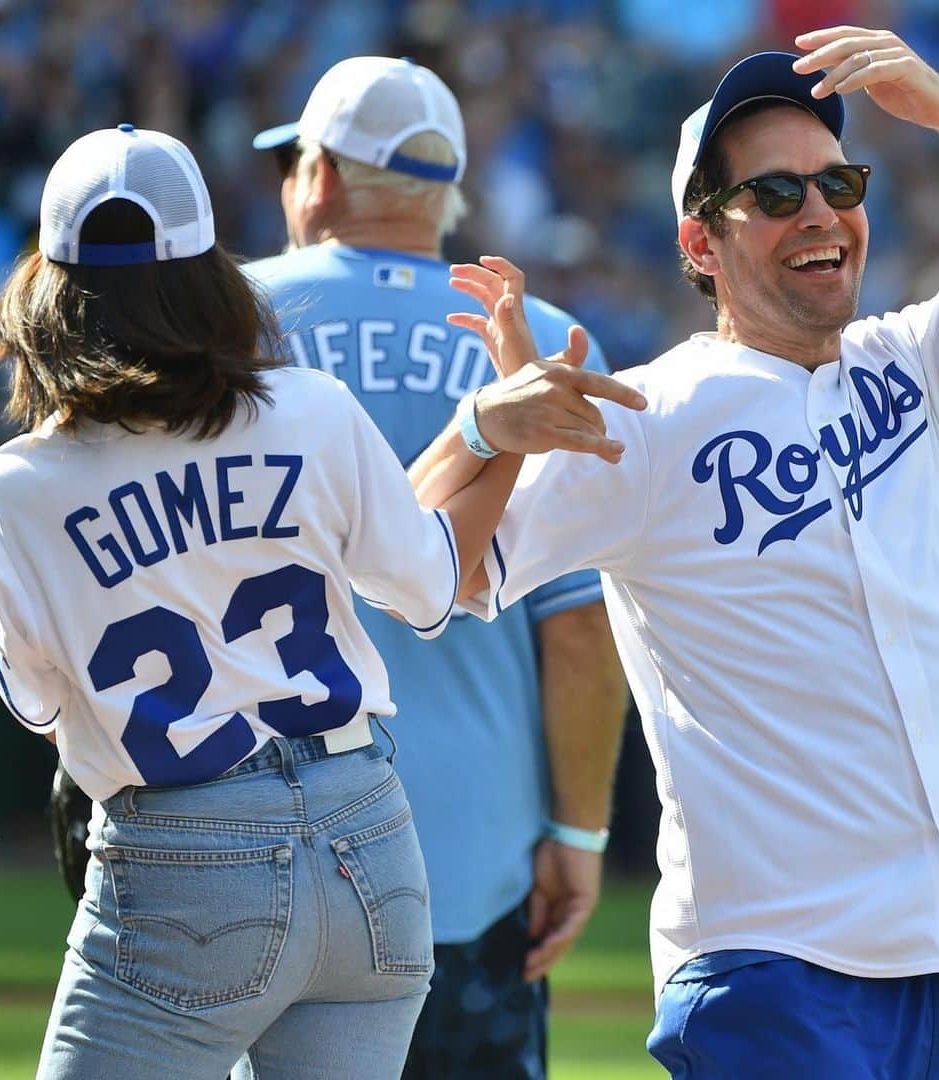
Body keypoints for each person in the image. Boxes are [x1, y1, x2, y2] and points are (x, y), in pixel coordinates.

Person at [409, 26, 939, 1079]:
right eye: (774, 195)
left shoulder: (919, 360)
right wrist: (485, 430)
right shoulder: (646, 417)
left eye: (837, 182)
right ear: (701, 245)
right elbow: (422, 566)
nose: (818, 212)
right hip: (776, 968)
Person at [0, 123, 642, 1080]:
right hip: (367, 839)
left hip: (180, 853)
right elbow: (429, 584)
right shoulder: (311, 407)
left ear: (48, 289)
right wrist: (488, 434)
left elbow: (38, 706)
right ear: (210, 273)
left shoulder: (16, 486)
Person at [246, 56, 628, 1077]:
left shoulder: (224, 323)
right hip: (472, 867)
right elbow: (582, 628)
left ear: (318, 175)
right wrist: (577, 836)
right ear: (445, 193)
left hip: (261, 857)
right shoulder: (540, 340)